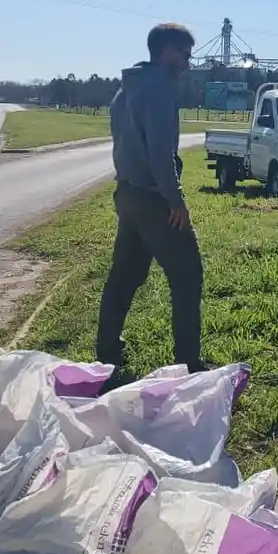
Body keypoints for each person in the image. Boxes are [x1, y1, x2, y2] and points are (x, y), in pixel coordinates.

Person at [96, 23, 206, 377]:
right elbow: (160, 154)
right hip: (154, 198)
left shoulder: (127, 87)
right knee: (188, 275)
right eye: (184, 55)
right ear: (164, 52)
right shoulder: (159, 88)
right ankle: (189, 363)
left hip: (128, 194)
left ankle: (107, 352)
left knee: (124, 276)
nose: (187, 64)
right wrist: (175, 201)